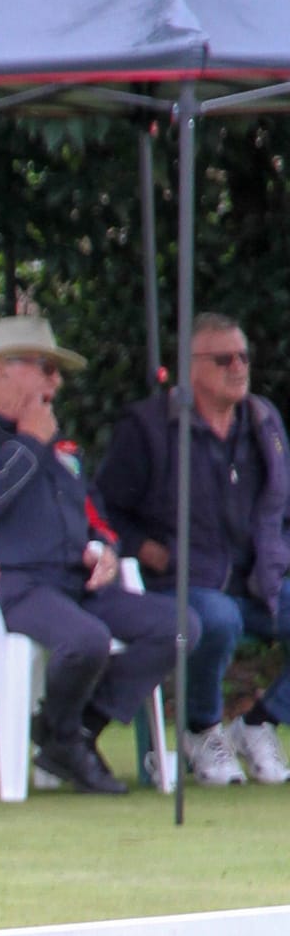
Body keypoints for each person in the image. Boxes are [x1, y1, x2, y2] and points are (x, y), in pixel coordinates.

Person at [0, 313, 189, 796]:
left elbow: (95, 513)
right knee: (86, 639)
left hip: (71, 585)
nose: (56, 380)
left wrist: (105, 549)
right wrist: (28, 442)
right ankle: (64, 737)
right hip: (0, 588)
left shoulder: (56, 441)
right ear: (3, 369)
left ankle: (72, 732)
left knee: (180, 625)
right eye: (46, 367)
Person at [96, 312, 290, 786]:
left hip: (257, 579)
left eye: (243, 356)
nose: (239, 367)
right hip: (181, 581)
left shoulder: (263, 423)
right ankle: (201, 730)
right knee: (216, 620)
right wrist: (145, 550)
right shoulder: (149, 428)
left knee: (234, 611)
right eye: (224, 358)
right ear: (190, 368)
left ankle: (260, 722)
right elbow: (103, 509)